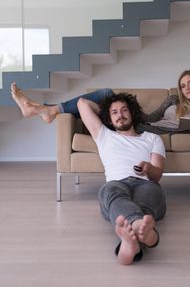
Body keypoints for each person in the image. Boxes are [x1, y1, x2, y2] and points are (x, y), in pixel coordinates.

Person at [77, 92, 166, 264]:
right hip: (117, 184)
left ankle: (130, 242)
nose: (121, 115)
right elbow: (82, 103)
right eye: (115, 112)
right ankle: (148, 235)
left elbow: (157, 175)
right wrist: (105, 111)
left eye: (125, 110)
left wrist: (148, 168)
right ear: (108, 119)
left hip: (146, 184)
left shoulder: (152, 138)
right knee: (109, 190)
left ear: (132, 113)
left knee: (148, 195)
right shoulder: (104, 135)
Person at [11, 69, 190, 134]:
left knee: (100, 99)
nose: (187, 88)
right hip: (142, 124)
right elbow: (152, 118)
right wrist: (131, 109)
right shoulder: (173, 99)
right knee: (105, 94)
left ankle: (46, 110)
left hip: (153, 133)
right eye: (183, 85)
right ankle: (49, 110)